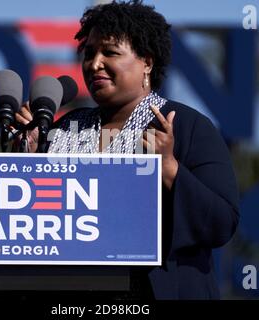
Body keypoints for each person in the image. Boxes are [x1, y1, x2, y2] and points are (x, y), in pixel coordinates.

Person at [15, 0, 239, 300]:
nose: (94, 64)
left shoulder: (185, 127)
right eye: (90, 53)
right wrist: (26, 157)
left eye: (110, 52)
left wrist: (169, 169)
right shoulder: (64, 128)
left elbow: (221, 223)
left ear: (147, 62)